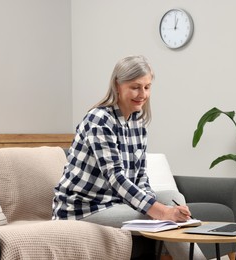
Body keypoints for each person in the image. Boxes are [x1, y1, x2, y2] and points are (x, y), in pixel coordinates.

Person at [52, 55, 205, 260]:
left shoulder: (137, 123)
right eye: (135, 87)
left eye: (147, 87)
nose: (143, 94)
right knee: (160, 216)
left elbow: (141, 177)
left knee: (170, 198)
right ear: (118, 85)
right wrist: (161, 212)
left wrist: (165, 207)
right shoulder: (99, 119)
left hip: (115, 203)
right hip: (82, 208)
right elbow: (116, 178)